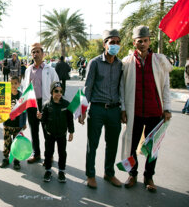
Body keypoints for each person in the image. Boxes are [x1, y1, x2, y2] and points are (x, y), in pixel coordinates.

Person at [120, 26, 172, 192]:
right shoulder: (127, 63)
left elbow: (165, 87)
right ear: (134, 42)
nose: (142, 43)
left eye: (145, 40)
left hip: (154, 112)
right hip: (134, 112)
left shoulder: (160, 60)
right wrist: (122, 109)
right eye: (139, 41)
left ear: (150, 41)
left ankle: (149, 176)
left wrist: (167, 108)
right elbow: (121, 88)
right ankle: (132, 174)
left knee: (153, 147)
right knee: (131, 145)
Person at [80, 29, 123, 189]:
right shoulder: (95, 62)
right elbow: (88, 88)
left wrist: (123, 110)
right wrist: (83, 111)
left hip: (114, 110)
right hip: (97, 109)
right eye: (112, 42)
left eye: (118, 42)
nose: (115, 45)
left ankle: (109, 173)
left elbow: (122, 88)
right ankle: (90, 174)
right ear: (105, 44)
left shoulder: (120, 64)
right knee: (93, 144)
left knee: (112, 144)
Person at [21, 43, 59, 164]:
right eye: (33, 52)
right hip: (32, 104)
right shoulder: (28, 70)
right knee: (34, 131)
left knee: (47, 131)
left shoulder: (50, 70)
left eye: (38, 51)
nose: (35, 54)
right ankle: (35, 154)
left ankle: (49, 155)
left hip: (45, 104)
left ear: (43, 54)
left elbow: (57, 86)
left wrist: (54, 103)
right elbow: (24, 88)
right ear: (31, 54)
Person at [37, 81, 74, 183]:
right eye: (56, 91)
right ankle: (48, 170)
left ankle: (61, 171)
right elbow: (43, 120)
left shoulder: (67, 104)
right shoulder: (47, 105)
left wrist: (71, 132)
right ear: (52, 92)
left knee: (62, 153)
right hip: (50, 134)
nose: (59, 93)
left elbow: (70, 119)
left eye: (61, 91)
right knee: (48, 153)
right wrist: (40, 118)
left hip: (62, 134)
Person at [0, 76, 27, 170]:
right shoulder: (5, 95)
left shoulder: (21, 96)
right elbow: (0, 108)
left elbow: (24, 110)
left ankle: (16, 160)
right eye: (11, 83)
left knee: (17, 143)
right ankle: (6, 159)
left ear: (19, 84)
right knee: (7, 143)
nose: (13, 85)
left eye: (15, 83)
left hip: (17, 125)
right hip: (7, 123)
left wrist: (24, 122)